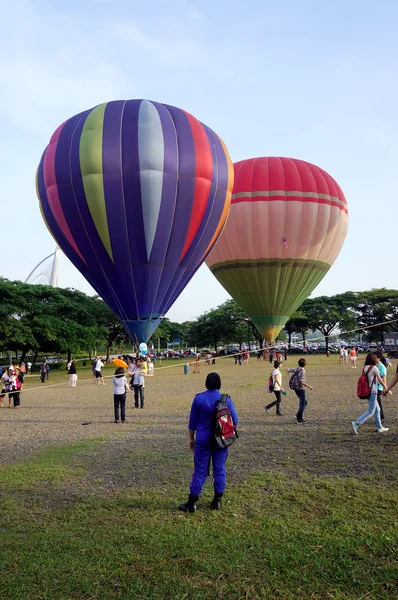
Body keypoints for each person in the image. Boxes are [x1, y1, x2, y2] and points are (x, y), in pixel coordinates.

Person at [179, 372, 238, 513]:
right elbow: (235, 420)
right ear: (219, 384)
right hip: (221, 440)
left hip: (203, 439)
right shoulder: (226, 399)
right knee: (220, 469)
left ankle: (192, 502)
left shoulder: (199, 398)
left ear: (206, 383)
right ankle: (217, 500)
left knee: (199, 470)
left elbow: (192, 422)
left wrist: (191, 438)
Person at [351, 353, 390, 435]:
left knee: (377, 409)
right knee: (371, 411)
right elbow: (380, 380)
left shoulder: (365, 368)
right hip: (373, 391)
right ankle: (357, 423)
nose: (376, 359)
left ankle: (380, 427)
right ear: (373, 360)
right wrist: (387, 389)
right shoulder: (374, 368)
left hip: (367, 391)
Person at [288, 358, 313, 423]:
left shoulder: (298, 369)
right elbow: (301, 382)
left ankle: (298, 415)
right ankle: (299, 419)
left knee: (305, 402)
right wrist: (309, 386)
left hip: (295, 388)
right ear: (305, 364)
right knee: (302, 403)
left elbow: (289, 370)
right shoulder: (303, 371)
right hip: (301, 389)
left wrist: (288, 375)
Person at [375, 351, 387, 423]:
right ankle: (380, 416)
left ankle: (381, 417)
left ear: (379, 358)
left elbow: (382, 378)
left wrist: (385, 388)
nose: (374, 358)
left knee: (377, 403)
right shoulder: (375, 365)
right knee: (377, 402)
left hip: (378, 387)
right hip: (374, 387)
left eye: (375, 357)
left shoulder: (381, 366)